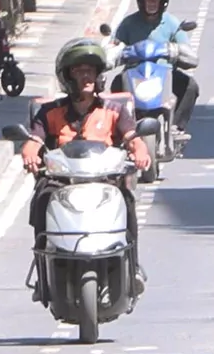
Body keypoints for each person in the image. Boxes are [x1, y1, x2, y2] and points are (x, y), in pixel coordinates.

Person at [20, 38, 151, 300]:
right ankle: (43, 274)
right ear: (67, 77)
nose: (87, 76)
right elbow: (33, 141)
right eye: (80, 71)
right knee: (41, 200)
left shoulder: (114, 111)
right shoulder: (49, 113)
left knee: (127, 201)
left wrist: (141, 150)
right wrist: (29, 152)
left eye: (91, 71)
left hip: (105, 181)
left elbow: (132, 137)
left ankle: (132, 267)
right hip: (62, 183)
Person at [110, 0, 201, 134]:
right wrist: (110, 55)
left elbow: (187, 50)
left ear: (163, 1)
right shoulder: (128, 23)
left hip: (164, 73)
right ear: (141, 0)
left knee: (190, 86)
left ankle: (176, 126)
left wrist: (177, 52)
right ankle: (119, 129)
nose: (152, 3)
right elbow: (115, 45)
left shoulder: (172, 23)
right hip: (134, 73)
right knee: (116, 86)